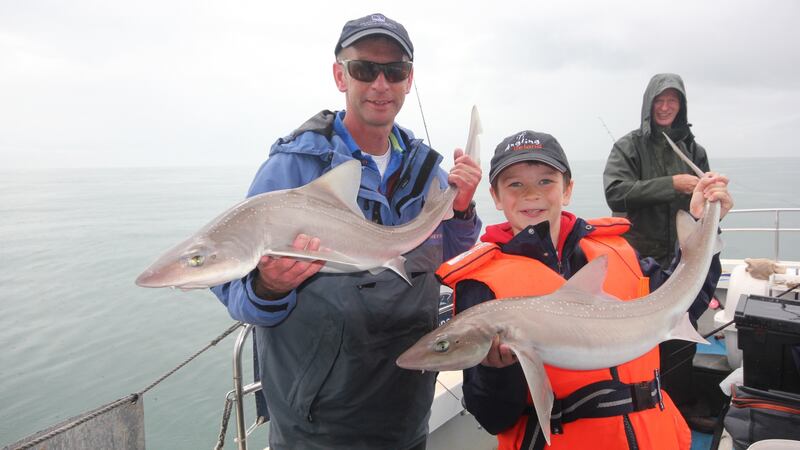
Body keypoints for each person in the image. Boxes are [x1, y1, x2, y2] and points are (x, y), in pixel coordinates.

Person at [211, 13, 482, 450]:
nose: (380, 84)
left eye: (394, 71)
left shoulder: (427, 171)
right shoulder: (293, 168)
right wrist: (269, 287)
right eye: (364, 69)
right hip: (316, 424)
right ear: (341, 76)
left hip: (406, 407)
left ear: (409, 80)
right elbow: (233, 289)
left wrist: (463, 210)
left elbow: (446, 255)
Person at [436, 130, 732, 449]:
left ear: (567, 190)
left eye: (546, 181)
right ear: (496, 196)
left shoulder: (618, 252)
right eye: (515, 184)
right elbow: (492, 416)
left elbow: (684, 303)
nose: (531, 194)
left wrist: (705, 222)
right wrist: (495, 371)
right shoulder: (482, 285)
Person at [603, 73, 714, 416]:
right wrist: (672, 184)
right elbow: (615, 192)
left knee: (683, 334)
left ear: (681, 106)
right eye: (659, 101)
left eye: (672, 101)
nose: (665, 107)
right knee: (637, 337)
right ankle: (638, 407)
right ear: (649, 104)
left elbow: (705, 205)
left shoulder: (695, 151)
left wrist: (715, 198)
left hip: (683, 260)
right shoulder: (629, 146)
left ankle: (679, 408)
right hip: (640, 260)